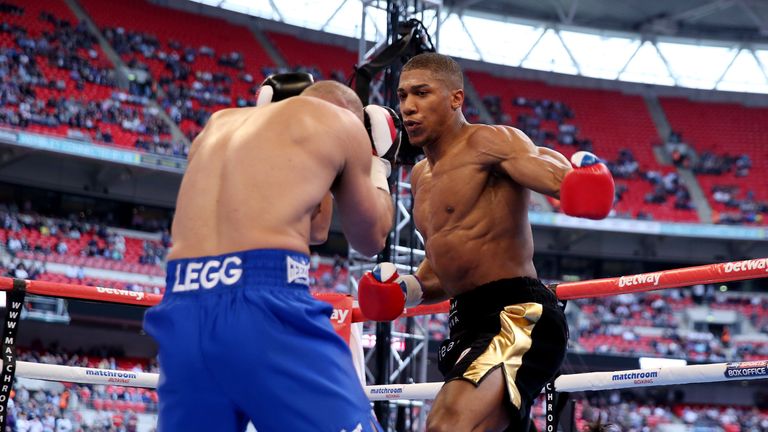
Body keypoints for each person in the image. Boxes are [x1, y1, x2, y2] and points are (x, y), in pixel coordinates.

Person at [358, 53, 615, 432]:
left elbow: (545, 167)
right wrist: (406, 289)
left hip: (517, 314)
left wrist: (578, 184)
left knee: (448, 425)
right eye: (403, 95)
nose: (408, 107)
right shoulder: (421, 176)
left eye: (422, 93)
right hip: (466, 323)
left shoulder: (490, 142)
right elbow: (444, 265)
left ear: (455, 98)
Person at [143, 74, 401, 432]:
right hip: (265, 304)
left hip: (182, 307)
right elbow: (370, 237)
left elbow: (315, 229)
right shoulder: (344, 124)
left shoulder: (217, 124)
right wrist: (377, 164)